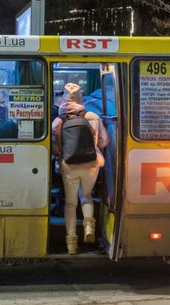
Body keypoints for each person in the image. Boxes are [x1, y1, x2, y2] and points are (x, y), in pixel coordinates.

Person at [52, 83, 109, 255]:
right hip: (91, 164)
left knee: (70, 203)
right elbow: (104, 142)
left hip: (69, 165)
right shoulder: (92, 116)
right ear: (80, 99)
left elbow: (55, 149)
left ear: (64, 100)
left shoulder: (58, 121)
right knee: (85, 196)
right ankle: (89, 226)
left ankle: (71, 244)